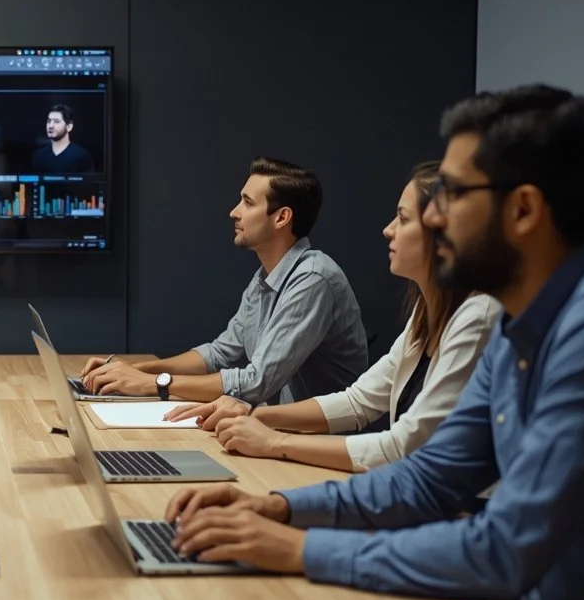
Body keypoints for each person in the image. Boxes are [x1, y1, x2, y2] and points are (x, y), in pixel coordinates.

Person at [164, 85, 584, 600]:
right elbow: (429, 478)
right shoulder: (529, 320)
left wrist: (302, 549)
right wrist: (280, 509)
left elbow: (505, 549)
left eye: (454, 197)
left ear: (523, 211)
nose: (434, 219)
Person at [166, 162, 500, 472]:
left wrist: (274, 439)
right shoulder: (427, 313)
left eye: (403, 218)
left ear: (444, 235)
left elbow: (403, 447)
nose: (388, 230)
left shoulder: (477, 318)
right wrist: (256, 415)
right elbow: (358, 401)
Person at [81, 158, 368, 405]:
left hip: (315, 450)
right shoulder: (264, 279)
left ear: (282, 217)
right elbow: (219, 353)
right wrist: (134, 370)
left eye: (247, 202)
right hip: (278, 434)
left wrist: (155, 383)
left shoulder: (312, 279)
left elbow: (257, 382)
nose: (234, 212)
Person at [31, 104, 95, 173]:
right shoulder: (39, 155)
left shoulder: (82, 155)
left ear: (69, 127)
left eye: (56, 121)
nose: (50, 126)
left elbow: (89, 183)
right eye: (49, 121)